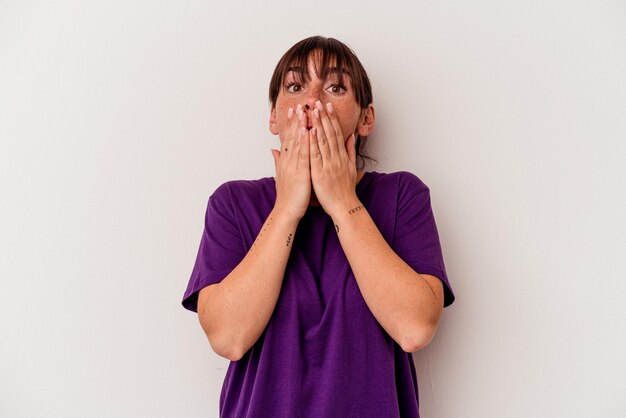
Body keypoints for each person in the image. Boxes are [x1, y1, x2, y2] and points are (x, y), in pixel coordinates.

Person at [181, 36, 456, 418]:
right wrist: (287, 208)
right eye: (295, 86)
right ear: (274, 116)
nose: (313, 101)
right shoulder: (233, 205)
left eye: (335, 87)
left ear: (366, 118)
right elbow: (228, 337)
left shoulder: (401, 196)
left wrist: (343, 203)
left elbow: (414, 328)